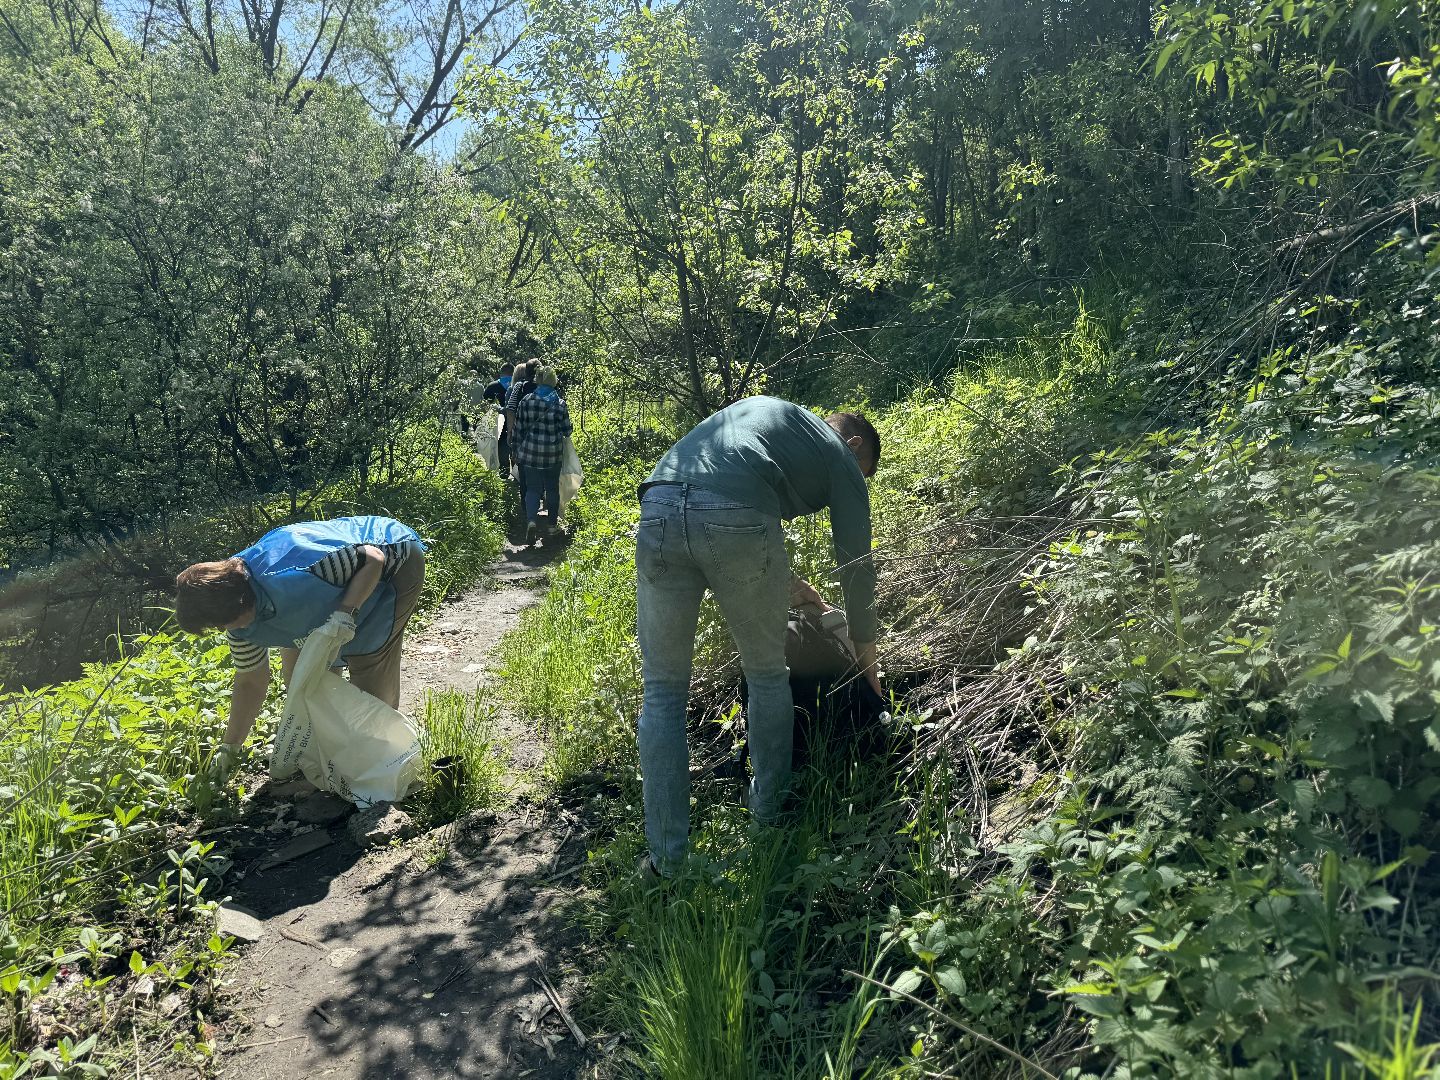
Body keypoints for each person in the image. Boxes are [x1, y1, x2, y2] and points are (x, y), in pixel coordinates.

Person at [634, 396, 882, 877]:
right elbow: (857, 567)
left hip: (659, 500)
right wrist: (869, 667)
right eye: (863, 473)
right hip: (735, 514)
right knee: (767, 676)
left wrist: (789, 585)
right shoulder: (838, 453)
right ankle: (768, 821)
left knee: (661, 690)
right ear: (853, 444)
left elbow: (707, 502)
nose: (855, 482)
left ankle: (666, 862)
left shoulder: (774, 420)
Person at [173, 515, 426, 767]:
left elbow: (373, 558)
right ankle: (331, 747)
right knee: (300, 676)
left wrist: (345, 613)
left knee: (367, 663)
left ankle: (385, 756)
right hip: (322, 591)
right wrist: (231, 748)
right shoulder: (236, 618)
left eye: (224, 622)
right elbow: (250, 682)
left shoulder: (304, 571)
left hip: (393, 557)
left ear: (240, 602)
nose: (224, 628)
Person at [513, 365, 574, 545]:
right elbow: (567, 430)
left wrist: (515, 450)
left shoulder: (526, 401)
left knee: (532, 489)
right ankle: (552, 526)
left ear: (537, 380)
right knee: (552, 489)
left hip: (530, 453)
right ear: (553, 381)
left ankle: (531, 521)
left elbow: (518, 429)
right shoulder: (559, 403)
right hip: (552, 454)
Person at [482, 363, 515, 475]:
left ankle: (504, 473)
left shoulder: (493, 386)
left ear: (501, 372)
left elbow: (484, 405)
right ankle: (517, 475)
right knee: (515, 449)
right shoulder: (518, 386)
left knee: (501, 448)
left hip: (498, 424)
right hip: (515, 423)